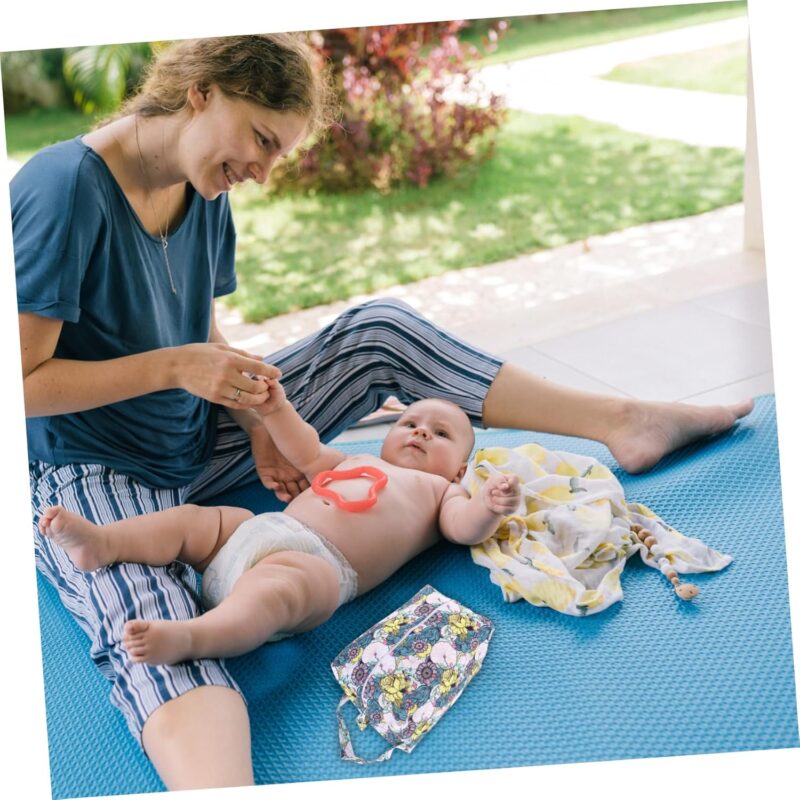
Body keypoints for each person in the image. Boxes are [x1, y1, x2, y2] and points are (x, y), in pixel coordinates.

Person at [12, 32, 753, 791]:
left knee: (379, 331)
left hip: (194, 434)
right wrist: (177, 369)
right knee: (161, 635)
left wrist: (256, 419)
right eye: (262, 140)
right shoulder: (65, 185)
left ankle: (623, 421)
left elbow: (196, 325)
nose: (262, 172)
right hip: (94, 464)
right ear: (201, 90)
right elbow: (21, 378)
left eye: (277, 155)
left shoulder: (205, 188)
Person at [39, 391, 521, 664]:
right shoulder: (353, 458)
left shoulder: (443, 491)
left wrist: (489, 504)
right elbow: (306, 451)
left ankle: (194, 636)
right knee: (200, 521)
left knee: (278, 588)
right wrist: (274, 410)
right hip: (261, 530)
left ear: (459, 468)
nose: (419, 432)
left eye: (440, 434)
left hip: (321, 567)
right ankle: (105, 541)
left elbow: (464, 528)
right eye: (409, 422)